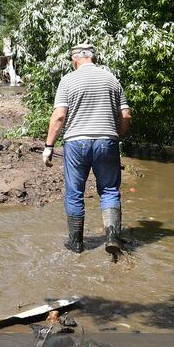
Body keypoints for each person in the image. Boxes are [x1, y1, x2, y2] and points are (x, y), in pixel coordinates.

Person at [42, 44, 131, 255]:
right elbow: (126, 115)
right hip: (107, 141)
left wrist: (48, 146)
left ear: (75, 60)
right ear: (93, 57)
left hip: (76, 143)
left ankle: (76, 244)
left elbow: (59, 116)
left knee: (75, 193)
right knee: (109, 190)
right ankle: (112, 238)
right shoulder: (111, 79)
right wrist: (116, 135)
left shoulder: (68, 80)